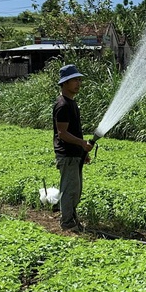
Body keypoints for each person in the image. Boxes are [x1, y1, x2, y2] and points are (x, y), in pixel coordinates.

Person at [53, 64, 94, 232]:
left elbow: (72, 131)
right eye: (74, 80)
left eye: (79, 79)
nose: (78, 83)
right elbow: (62, 133)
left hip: (74, 155)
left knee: (75, 190)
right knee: (70, 190)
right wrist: (82, 144)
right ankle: (67, 223)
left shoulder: (72, 103)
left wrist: (82, 152)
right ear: (64, 83)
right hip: (67, 155)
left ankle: (71, 219)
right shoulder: (63, 105)